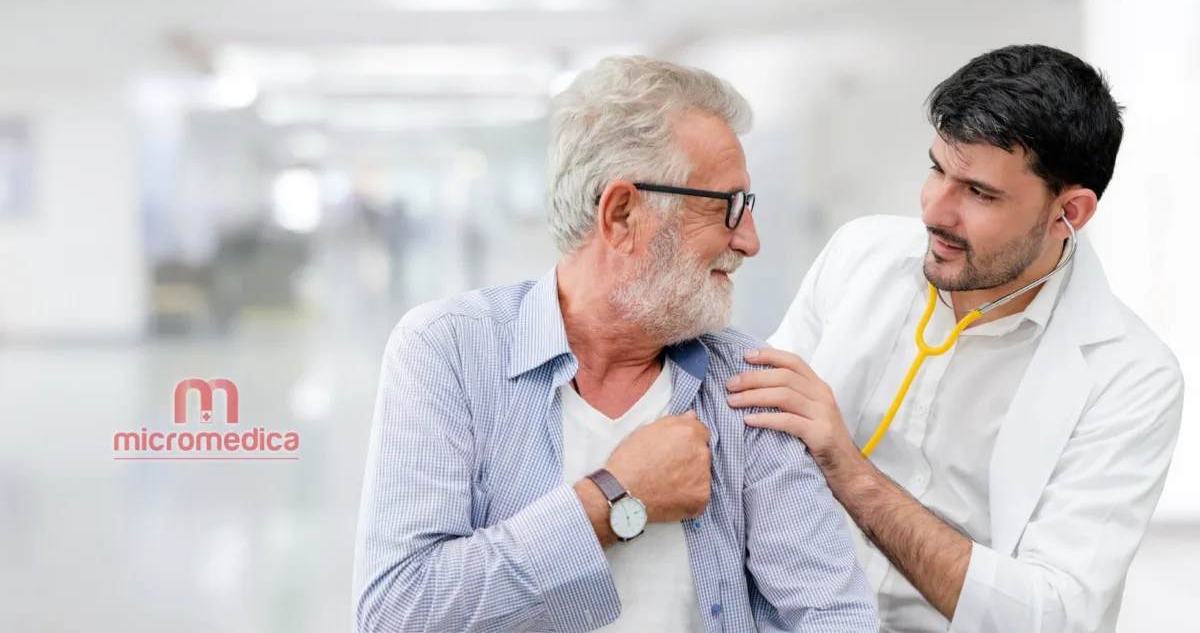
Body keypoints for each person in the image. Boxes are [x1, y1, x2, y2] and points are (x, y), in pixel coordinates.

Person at [352, 56, 877, 632]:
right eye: (725, 206)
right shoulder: (448, 351)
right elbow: (399, 613)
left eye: (747, 207)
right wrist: (617, 497)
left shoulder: (747, 385)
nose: (749, 241)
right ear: (622, 214)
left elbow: (834, 613)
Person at [726, 43, 1185, 633]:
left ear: (1068, 212)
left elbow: (1052, 615)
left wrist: (851, 473)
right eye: (937, 169)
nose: (935, 212)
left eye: (979, 193)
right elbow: (758, 439)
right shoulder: (859, 256)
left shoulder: (1132, 377)